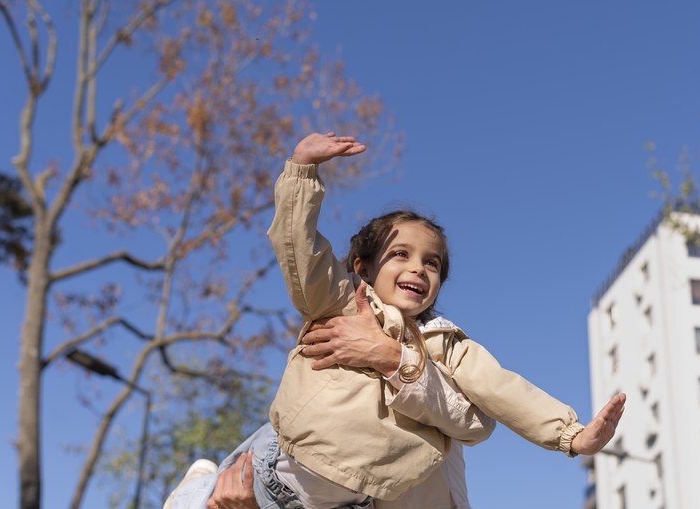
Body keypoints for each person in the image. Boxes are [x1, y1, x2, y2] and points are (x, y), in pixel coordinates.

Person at [166, 132, 626, 509]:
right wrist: (302, 171)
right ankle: (196, 485)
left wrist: (572, 435)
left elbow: (502, 391)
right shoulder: (341, 304)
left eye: (432, 264)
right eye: (400, 255)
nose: (418, 269)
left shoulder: (447, 347)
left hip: (351, 497)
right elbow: (300, 255)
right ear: (363, 266)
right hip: (287, 462)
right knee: (215, 488)